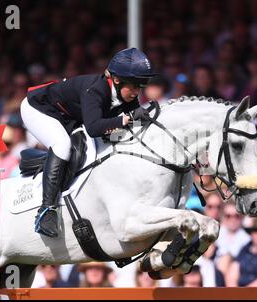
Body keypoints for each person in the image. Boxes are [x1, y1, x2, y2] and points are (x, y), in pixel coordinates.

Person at [20, 48, 157, 237]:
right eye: (133, 86)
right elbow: (93, 128)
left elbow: (128, 130)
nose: (136, 92)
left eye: (140, 86)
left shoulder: (127, 95)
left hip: (69, 115)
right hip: (39, 109)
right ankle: (47, 211)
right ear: (116, 80)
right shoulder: (95, 90)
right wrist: (126, 120)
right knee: (62, 145)